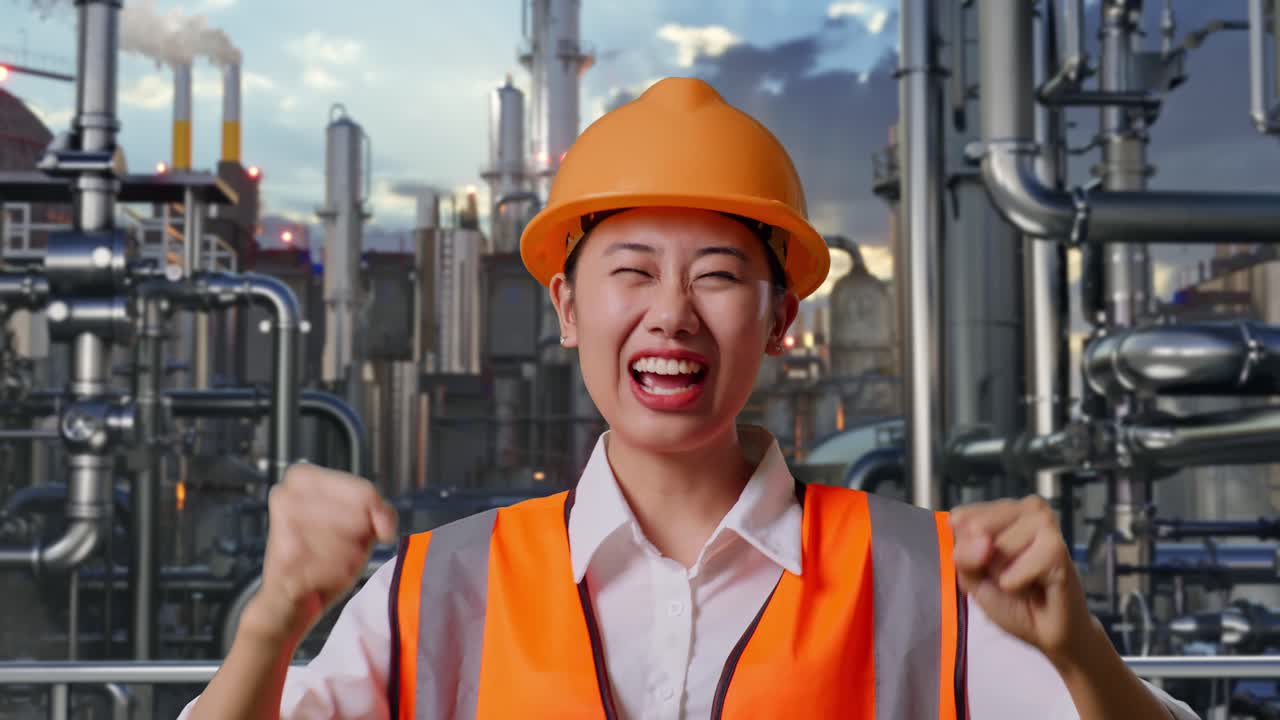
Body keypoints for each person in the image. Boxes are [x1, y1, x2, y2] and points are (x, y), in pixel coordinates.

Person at [180, 77, 1197, 719]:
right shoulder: (437, 589)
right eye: (630, 270)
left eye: (715, 273)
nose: (669, 313)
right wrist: (271, 624)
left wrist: (1078, 654)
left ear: (780, 319)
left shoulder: (925, 582)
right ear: (567, 308)